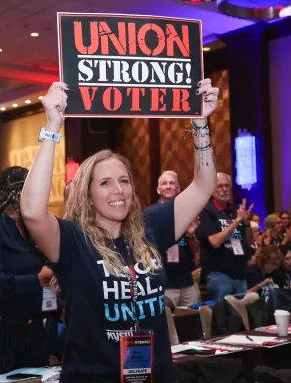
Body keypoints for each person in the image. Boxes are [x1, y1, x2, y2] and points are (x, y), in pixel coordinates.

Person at [20, 79, 219, 383]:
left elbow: (204, 186)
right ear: (87, 193)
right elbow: (33, 211)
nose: (118, 190)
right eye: (105, 182)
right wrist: (52, 128)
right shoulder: (73, 240)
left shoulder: (149, 226)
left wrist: (200, 123)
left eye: (124, 180)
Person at [0, 166, 55, 377]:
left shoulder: (28, 229)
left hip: (35, 329)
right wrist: (36, 279)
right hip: (3, 334)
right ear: (17, 195)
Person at [197, 173, 254, 302]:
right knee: (222, 317)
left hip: (240, 273)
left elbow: (250, 242)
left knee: (241, 316)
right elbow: (215, 242)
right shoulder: (207, 210)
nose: (224, 189)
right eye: (220, 186)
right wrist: (236, 221)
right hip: (219, 275)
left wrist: (246, 223)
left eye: (227, 186)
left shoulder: (236, 210)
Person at [149, 170, 200, 307]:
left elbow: (196, 251)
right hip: (164, 284)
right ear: (158, 189)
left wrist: (190, 235)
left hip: (186, 282)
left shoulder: (188, 212)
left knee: (191, 322)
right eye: (164, 183)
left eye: (172, 183)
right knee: (168, 326)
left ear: (178, 189)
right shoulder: (150, 214)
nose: (168, 186)